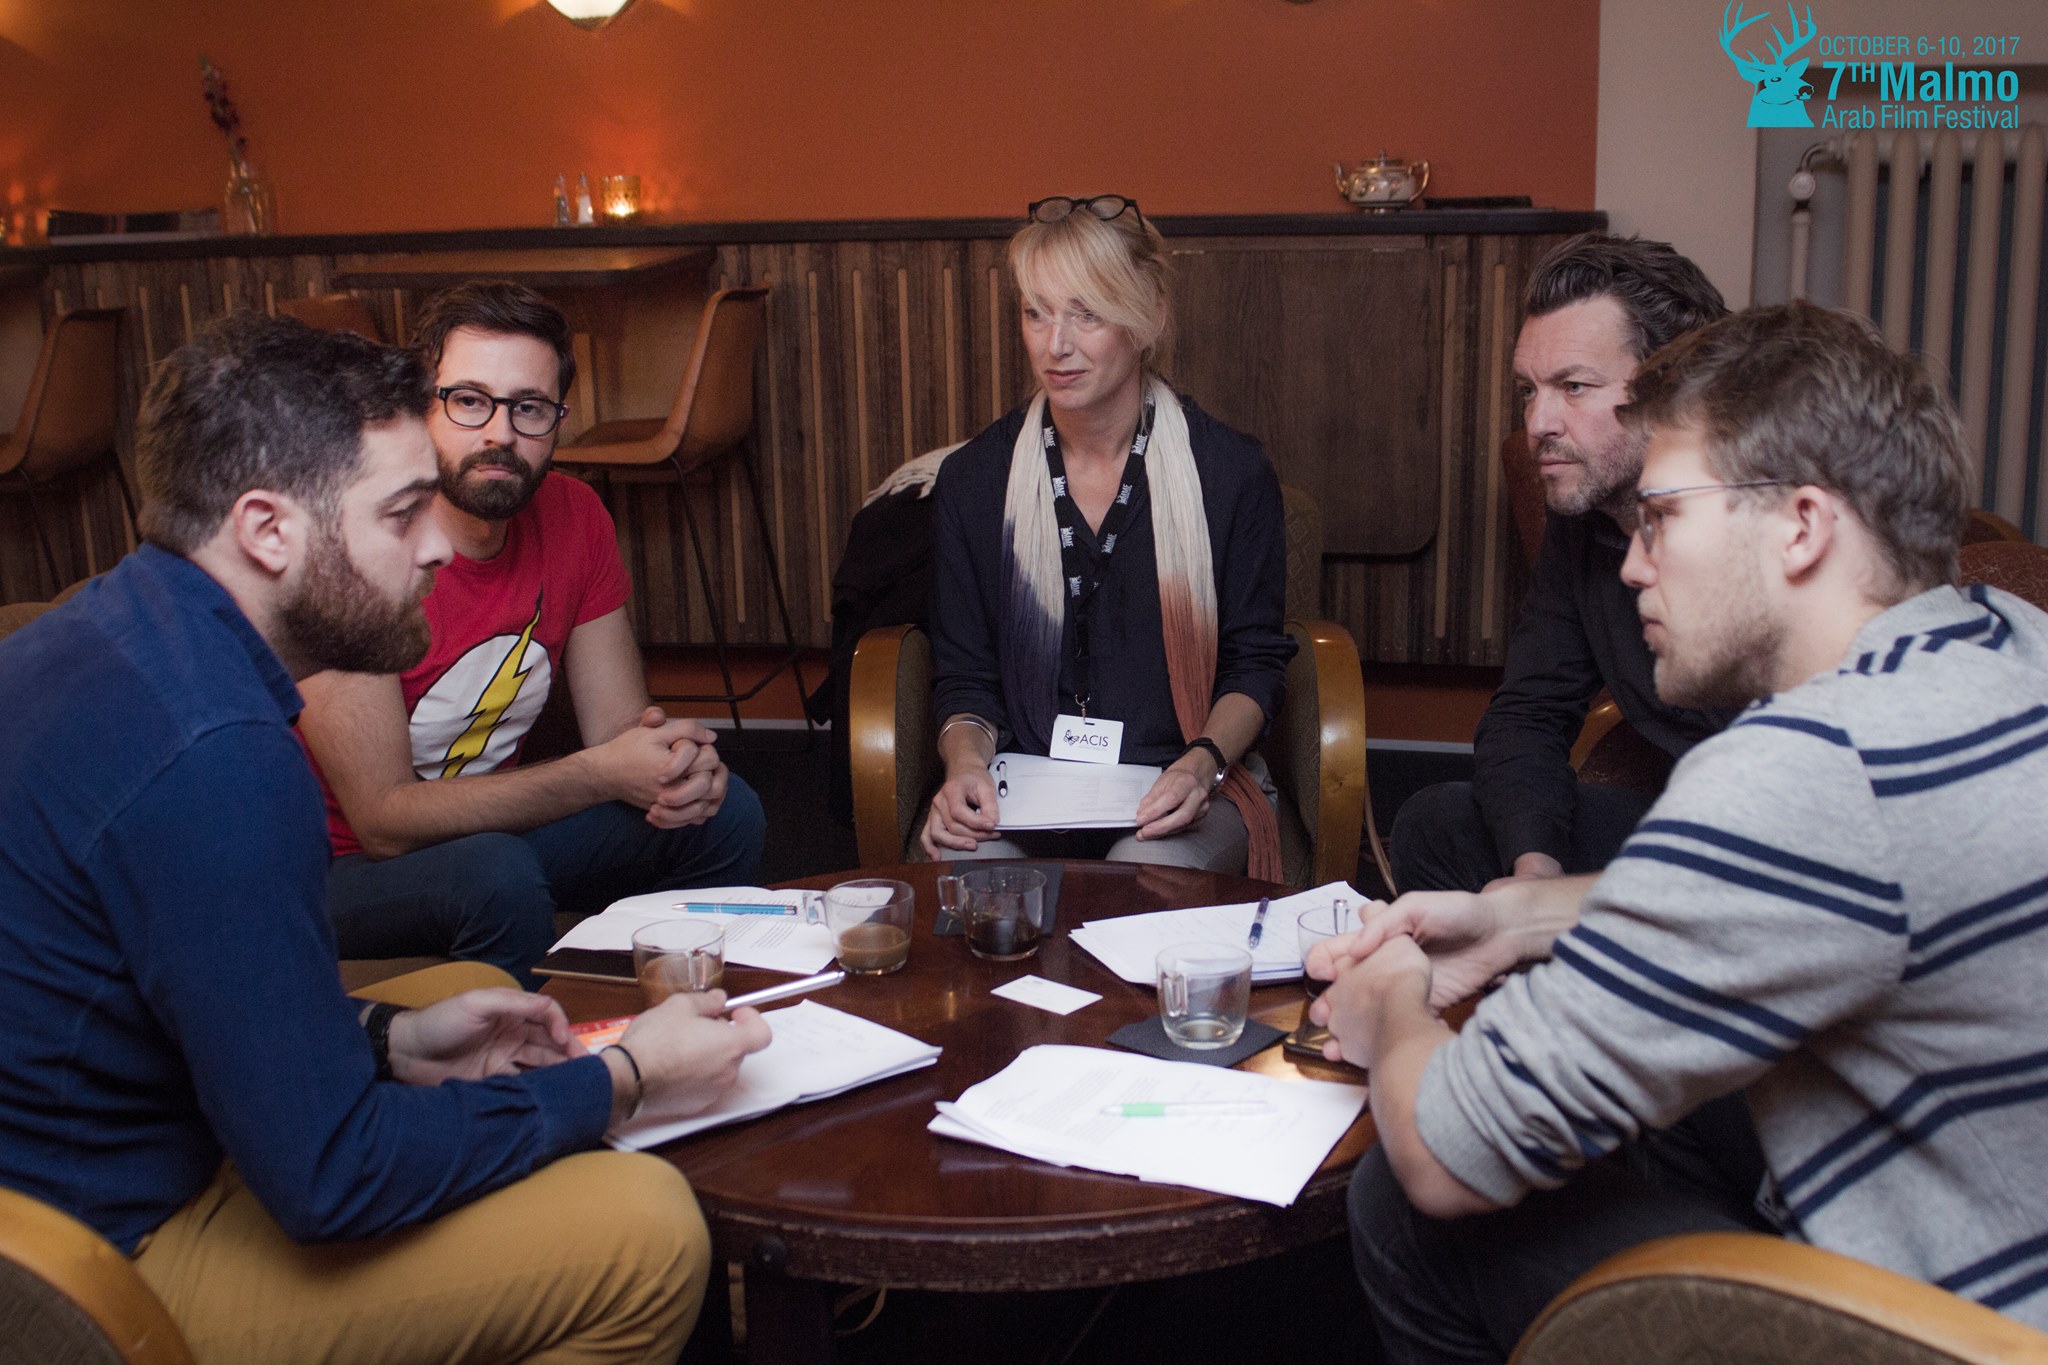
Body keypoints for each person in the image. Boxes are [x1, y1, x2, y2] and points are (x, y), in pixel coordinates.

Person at [0, 313, 773, 1363]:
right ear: (269, 530)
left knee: (457, 988)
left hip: (91, 1147)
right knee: (650, 1232)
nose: (438, 543)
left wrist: (383, 1040)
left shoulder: (118, 626)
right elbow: (332, 1175)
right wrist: (624, 1078)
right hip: (85, 1265)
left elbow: (176, 981)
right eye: (403, 512)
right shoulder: (221, 759)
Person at [1313, 301, 2048, 1360]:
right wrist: (1523, 917)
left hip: (1940, 1333)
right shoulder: (2006, 637)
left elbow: (1443, 1152)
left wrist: (1387, 1001)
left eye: (1660, 516)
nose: (1630, 564)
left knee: (1403, 1204)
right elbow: (1848, 891)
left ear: (1801, 524)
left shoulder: (1810, 765)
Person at [297, 281, 766, 984]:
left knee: (722, 811)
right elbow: (383, 820)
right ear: (421, 404)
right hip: (337, 872)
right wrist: (597, 773)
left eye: (529, 408)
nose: (500, 434)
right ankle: (530, 1050)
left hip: (492, 835)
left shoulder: (575, 514)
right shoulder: (357, 545)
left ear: (557, 421)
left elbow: (617, 728)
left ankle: (673, 1012)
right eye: (469, 400)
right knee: (495, 874)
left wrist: (668, 765)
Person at [921, 195, 1296, 878]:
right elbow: (966, 679)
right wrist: (966, 766)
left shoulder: (1230, 473)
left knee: (1140, 875)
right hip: (1028, 785)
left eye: (1087, 314)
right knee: (971, 872)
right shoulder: (974, 480)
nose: (1055, 344)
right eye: (1036, 312)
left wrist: (1202, 763)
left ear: (1148, 317)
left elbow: (1255, 666)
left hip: (1183, 778)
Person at [1391, 234, 1732, 893]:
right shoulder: (1584, 521)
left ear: (1675, 391)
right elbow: (1529, 711)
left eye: (1574, 386)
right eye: (1529, 390)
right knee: (1437, 824)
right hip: (1687, 813)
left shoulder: (1759, 520)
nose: (1538, 422)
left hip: (1796, 842)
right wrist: (1534, 870)